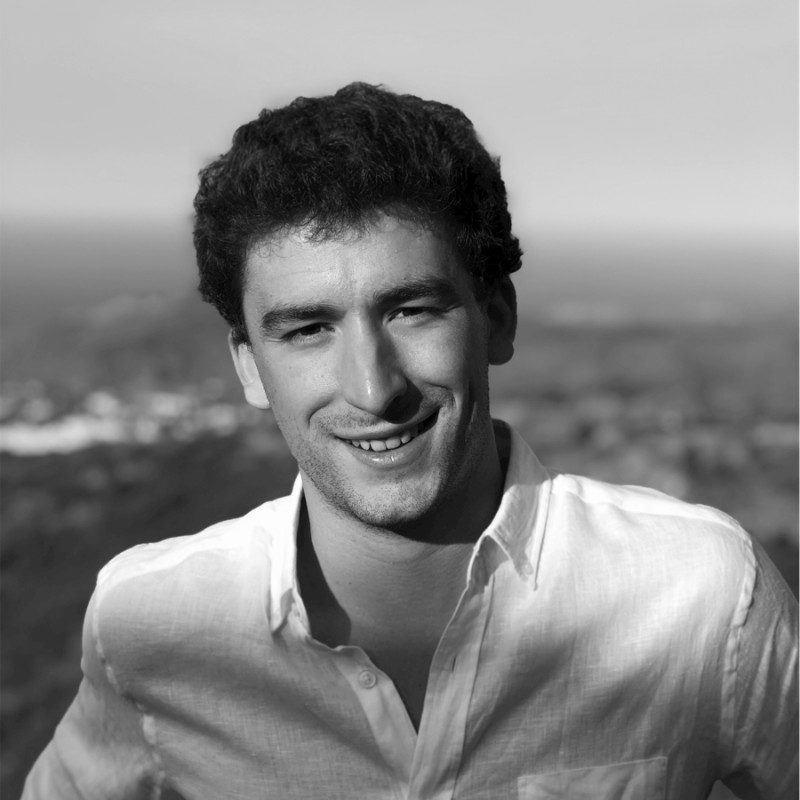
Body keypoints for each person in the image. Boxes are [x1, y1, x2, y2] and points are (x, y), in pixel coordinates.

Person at [24, 83, 797, 799]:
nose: (373, 388)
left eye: (412, 310)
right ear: (250, 368)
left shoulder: (699, 595)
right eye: (308, 329)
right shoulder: (149, 627)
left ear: (497, 317)